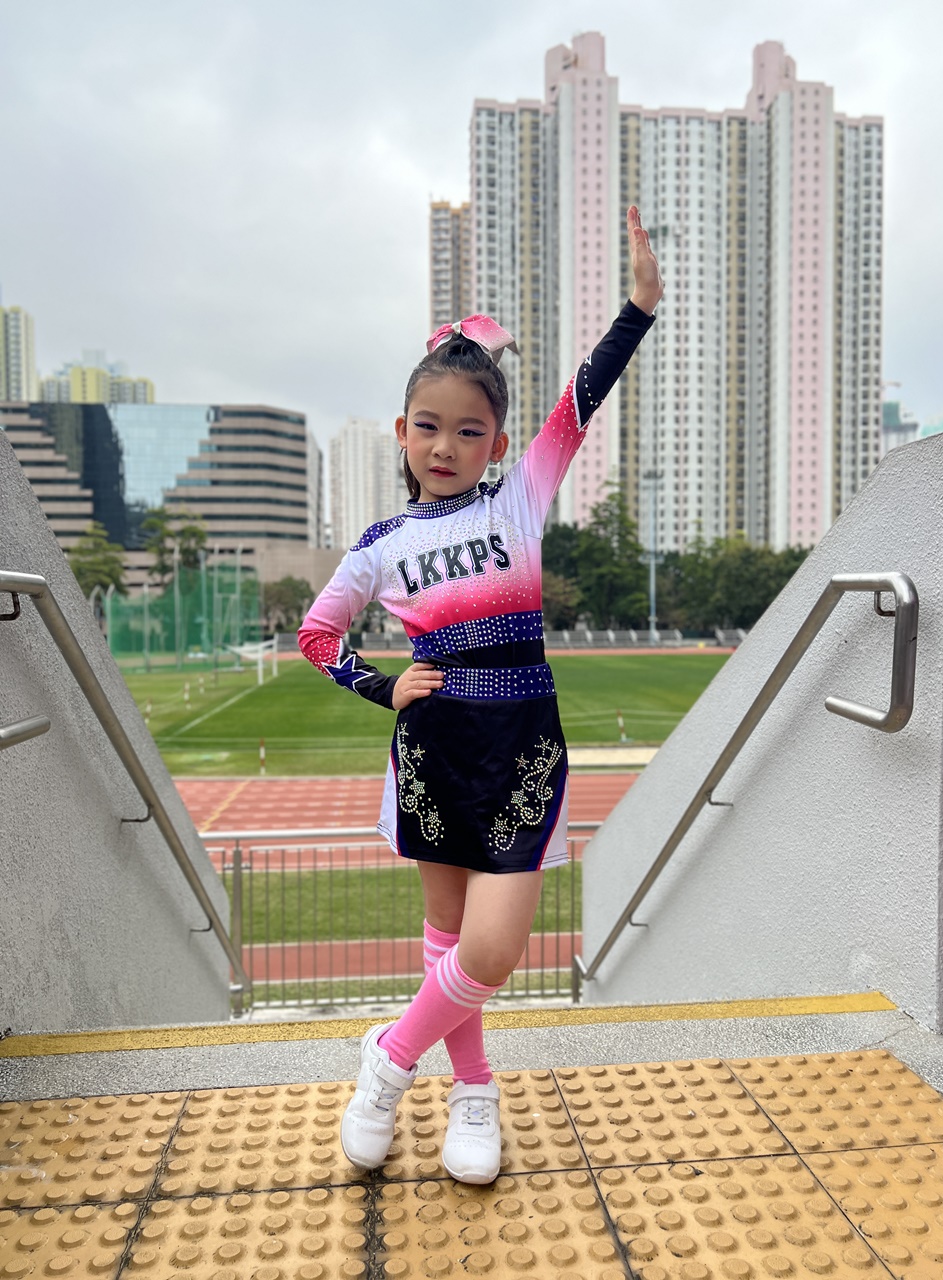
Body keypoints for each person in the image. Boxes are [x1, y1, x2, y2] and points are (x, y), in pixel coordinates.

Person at [298, 205, 662, 1184]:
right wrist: (382, 688)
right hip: (434, 750)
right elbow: (317, 636)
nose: (446, 444)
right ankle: (473, 1089)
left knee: (492, 949)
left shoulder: (521, 499)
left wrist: (638, 307)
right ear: (402, 432)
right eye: (429, 426)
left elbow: (581, 401)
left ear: (498, 442)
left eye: (469, 430)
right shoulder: (380, 546)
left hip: (521, 750)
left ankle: (389, 1057)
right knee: (447, 937)